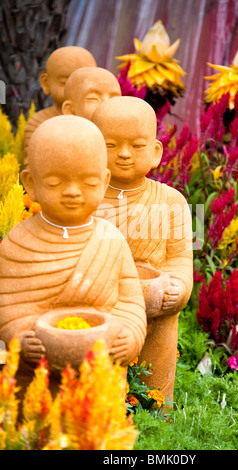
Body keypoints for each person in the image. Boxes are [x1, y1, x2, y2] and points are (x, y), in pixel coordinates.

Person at [0, 115, 146, 397]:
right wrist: (19, 334)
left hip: (101, 371)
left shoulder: (111, 239)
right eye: (55, 183)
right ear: (30, 182)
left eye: (88, 183)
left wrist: (130, 335)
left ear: (104, 182)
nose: (72, 193)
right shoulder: (17, 242)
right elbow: (7, 303)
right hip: (35, 373)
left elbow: (130, 301)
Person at [92, 96, 193, 403]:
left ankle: (155, 410)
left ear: (155, 152)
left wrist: (179, 288)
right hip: (101, 302)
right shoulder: (86, 201)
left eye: (136, 146)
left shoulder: (172, 201)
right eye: (110, 146)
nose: (123, 154)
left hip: (155, 300)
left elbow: (179, 259)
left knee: (162, 327)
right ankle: (100, 408)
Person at [23, 46, 97, 166]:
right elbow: (32, 167)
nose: (77, 90)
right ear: (46, 83)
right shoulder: (39, 123)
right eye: (65, 83)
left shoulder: (101, 120)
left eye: (86, 82)